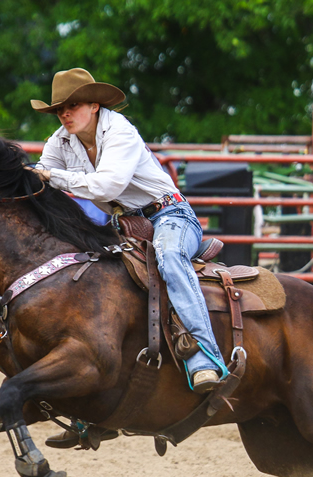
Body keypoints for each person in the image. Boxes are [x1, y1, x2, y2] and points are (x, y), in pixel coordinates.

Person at [30, 68, 229, 398]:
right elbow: (42, 181)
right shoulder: (60, 141)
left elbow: (106, 184)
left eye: (73, 105)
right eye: (59, 109)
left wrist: (52, 175)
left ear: (95, 105)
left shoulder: (120, 132)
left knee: (169, 256)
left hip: (170, 214)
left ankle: (204, 356)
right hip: (125, 223)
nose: (65, 114)